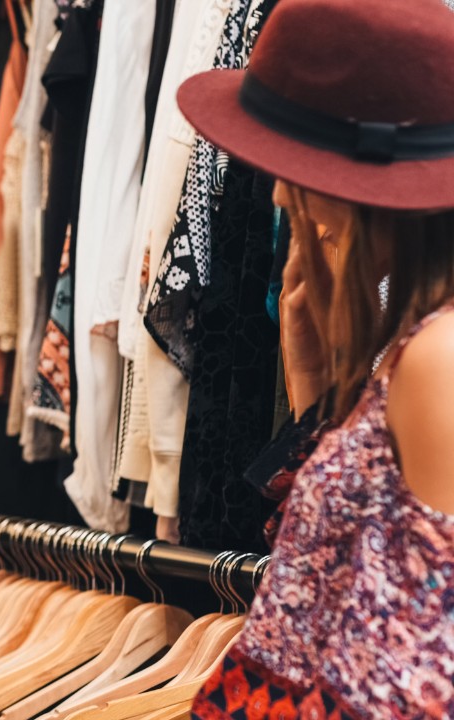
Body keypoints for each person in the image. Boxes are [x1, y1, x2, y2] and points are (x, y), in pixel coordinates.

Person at [174, 0, 454, 716]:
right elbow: (352, 562)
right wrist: (316, 388)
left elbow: (416, 673)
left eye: (288, 166)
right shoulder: (415, 347)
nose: (275, 192)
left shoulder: (437, 358)